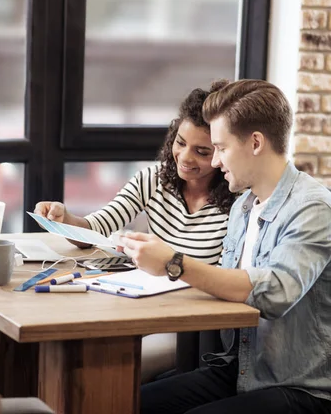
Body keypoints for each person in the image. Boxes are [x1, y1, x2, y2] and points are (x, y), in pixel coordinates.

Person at [120, 79, 331, 414]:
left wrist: (175, 263)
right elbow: (227, 287)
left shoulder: (313, 209)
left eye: (220, 147)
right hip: (240, 370)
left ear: (256, 143)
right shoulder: (242, 208)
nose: (215, 162)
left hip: (301, 387)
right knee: (131, 404)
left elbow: (276, 293)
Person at [35, 81, 235, 263]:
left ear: (222, 150)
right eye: (180, 143)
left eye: (202, 152)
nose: (184, 157)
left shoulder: (238, 200)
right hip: (153, 296)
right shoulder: (154, 179)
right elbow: (95, 229)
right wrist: (64, 220)